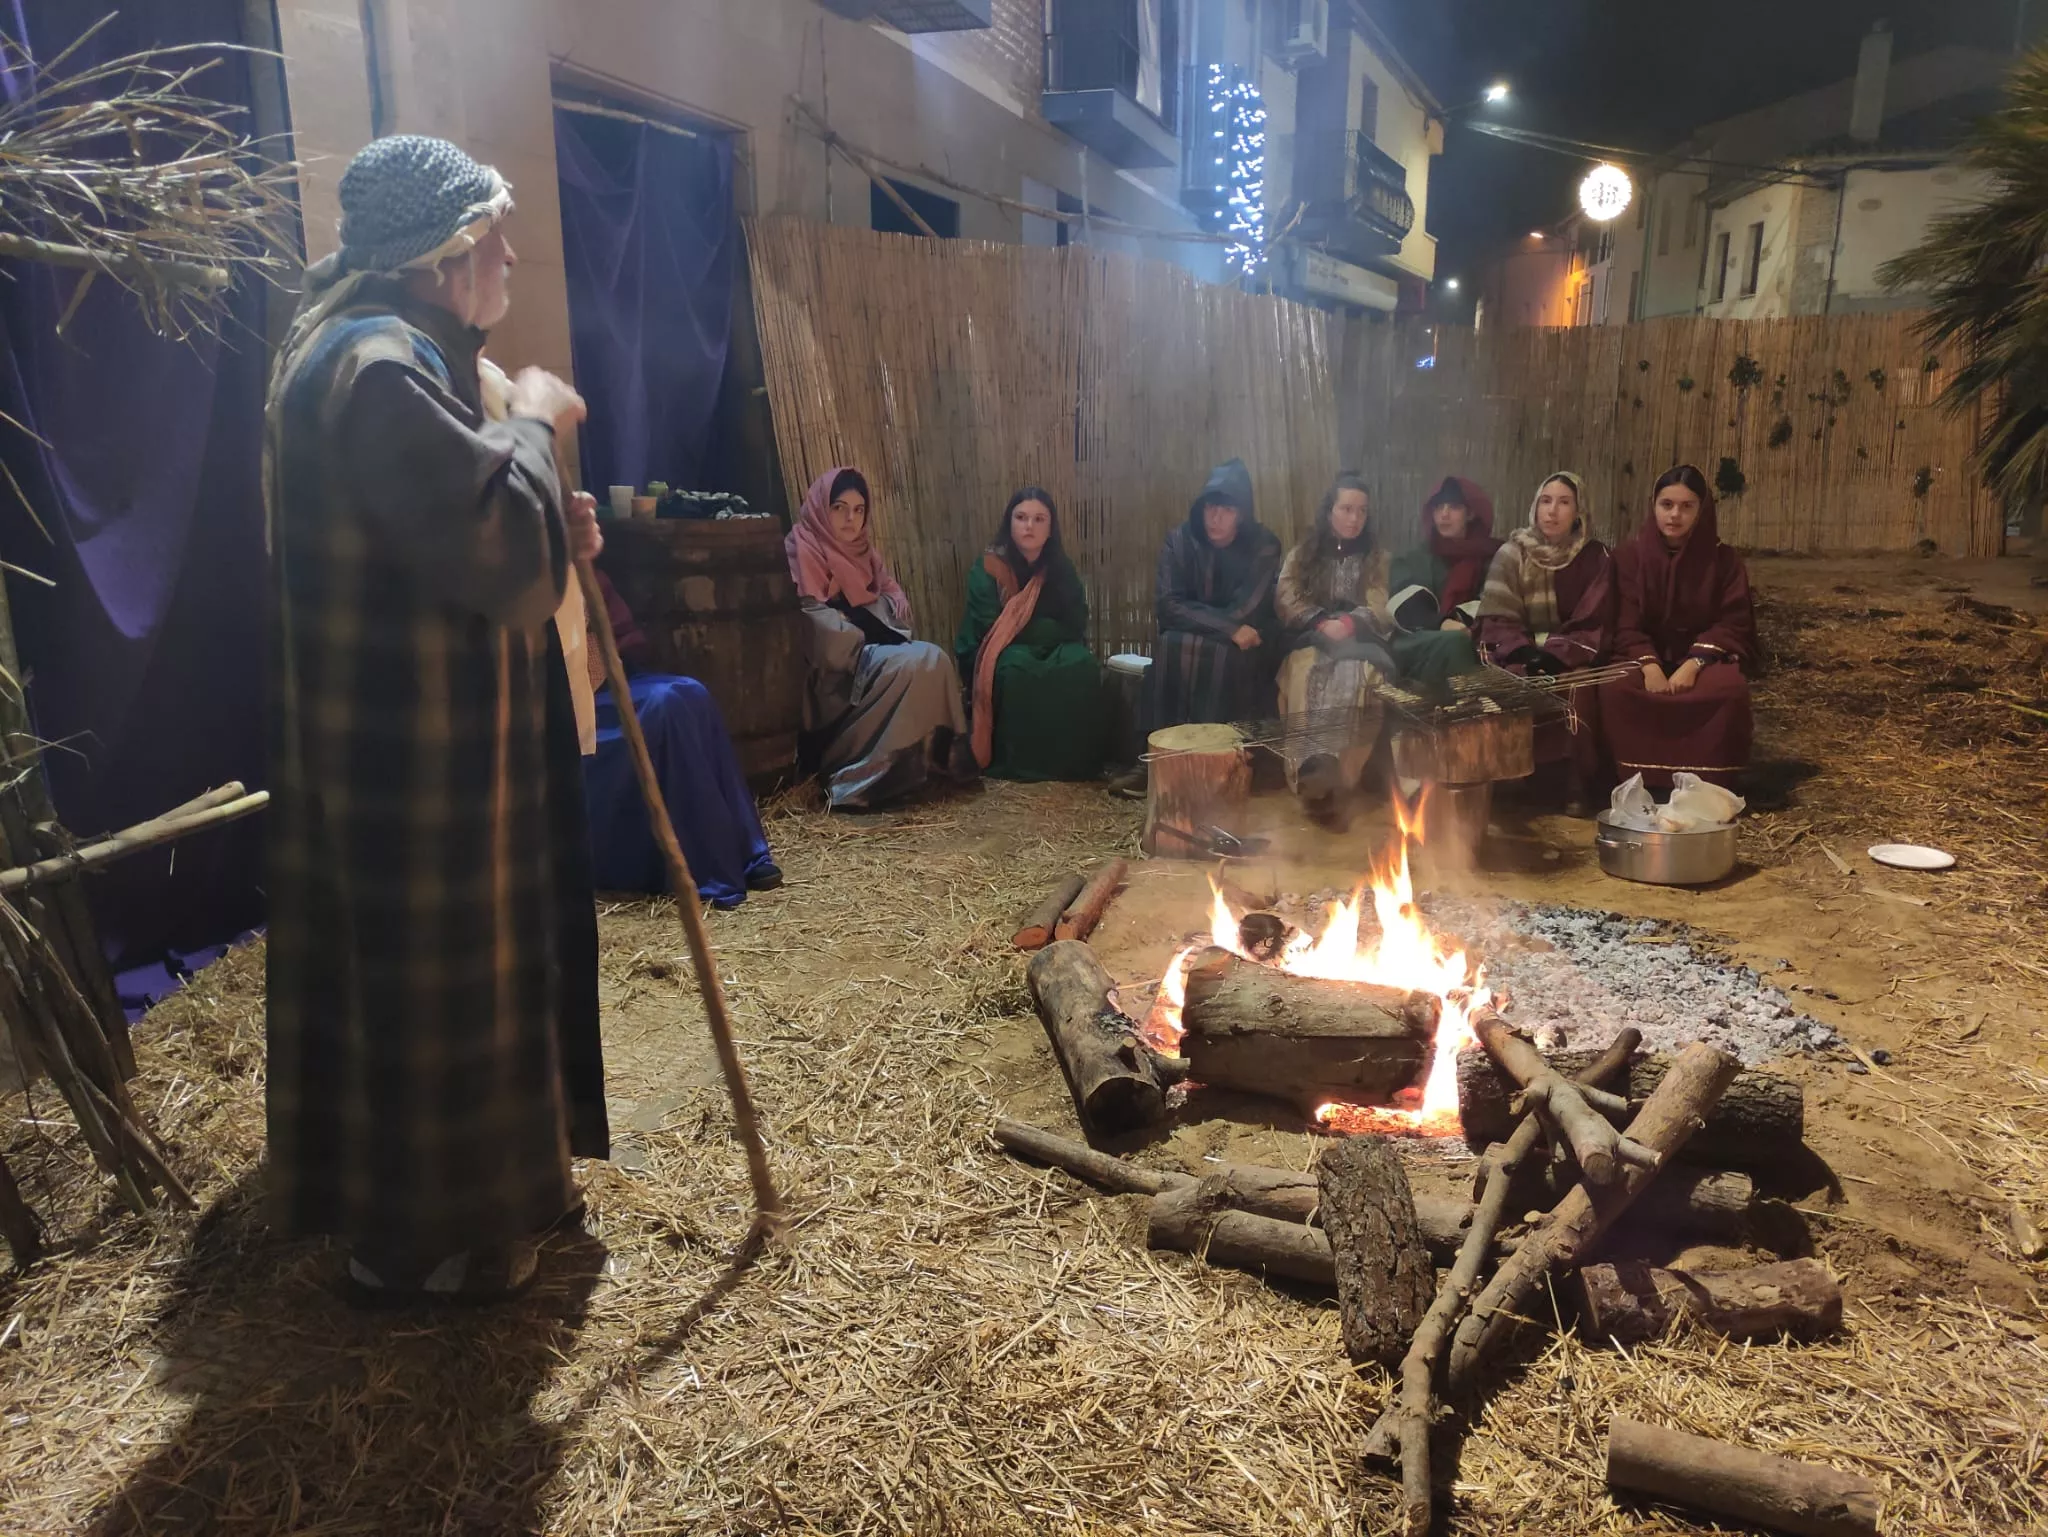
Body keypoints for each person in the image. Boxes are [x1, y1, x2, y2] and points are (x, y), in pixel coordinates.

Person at [264, 135, 607, 1304]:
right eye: (492, 239)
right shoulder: (375, 368)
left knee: (453, 976)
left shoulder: (386, 350)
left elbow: (459, 530)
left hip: (430, 733)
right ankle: (427, 1242)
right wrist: (537, 424)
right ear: (442, 258)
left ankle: (481, 1200)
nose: (508, 257)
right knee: (435, 986)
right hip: (413, 754)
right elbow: (494, 549)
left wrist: (552, 516)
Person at [581, 570, 782, 906]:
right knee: (665, 706)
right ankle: (704, 870)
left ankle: (747, 852)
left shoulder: (578, 568)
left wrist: (607, 645)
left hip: (610, 682)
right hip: (568, 704)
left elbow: (621, 633)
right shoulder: (519, 580)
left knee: (691, 692)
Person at [786, 466, 975, 808]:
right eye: (839, 508)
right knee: (915, 663)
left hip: (873, 646)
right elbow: (814, 623)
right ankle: (862, 775)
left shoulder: (864, 553)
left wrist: (859, 612)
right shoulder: (803, 548)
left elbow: (892, 602)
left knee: (935, 659)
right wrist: (860, 623)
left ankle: (928, 764)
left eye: (859, 510)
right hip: (835, 671)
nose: (851, 519)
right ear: (821, 508)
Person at [1599, 464, 1757, 790]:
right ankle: (1635, 782)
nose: (1675, 515)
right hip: (1640, 656)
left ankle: (1708, 784)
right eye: (1667, 504)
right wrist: (1650, 666)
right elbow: (1624, 620)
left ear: (1702, 510)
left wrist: (1693, 664)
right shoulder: (1628, 558)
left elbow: (1733, 621)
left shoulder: (1724, 561)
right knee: (1616, 689)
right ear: (1653, 506)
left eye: (1687, 506)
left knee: (1729, 691)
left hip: (1703, 659)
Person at [1476, 470, 1617, 807]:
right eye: (1546, 501)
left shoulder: (1595, 557)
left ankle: (1573, 786)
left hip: (1572, 654)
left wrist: (1556, 654)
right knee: (1507, 682)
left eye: (1564, 502)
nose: (1552, 511)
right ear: (1535, 507)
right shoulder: (1512, 553)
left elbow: (1595, 618)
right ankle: (1513, 781)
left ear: (1579, 511)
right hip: (1517, 651)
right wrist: (1524, 652)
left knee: (1577, 686)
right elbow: (1496, 616)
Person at [953, 487, 1105, 781]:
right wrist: (1046, 629)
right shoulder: (988, 568)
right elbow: (990, 624)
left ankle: (1074, 763)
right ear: (1009, 523)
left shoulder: (1060, 568)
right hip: (996, 648)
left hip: (1053, 645)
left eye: (1039, 519)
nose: (1029, 526)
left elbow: (1076, 619)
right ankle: (1017, 765)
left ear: (1050, 527)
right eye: (1021, 517)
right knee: (1015, 670)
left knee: (1082, 665)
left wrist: (1040, 631)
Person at [1273, 473, 1397, 817]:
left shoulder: (1377, 558)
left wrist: (1349, 623)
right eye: (1346, 509)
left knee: (1359, 677)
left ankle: (1341, 780)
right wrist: (1319, 621)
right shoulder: (1304, 555)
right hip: (1311, 635)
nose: (1354, 518)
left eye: (1362, 511)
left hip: (1361, 641)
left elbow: (1381, 603)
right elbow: (1286, 596)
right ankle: (1309, 775)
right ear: (1329, 511)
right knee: (1306, 672)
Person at [1143, 458, 1282, 734]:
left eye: (1227, 510)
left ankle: (1221, 750)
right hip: (1211, 633)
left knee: (1223, 654)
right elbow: (1167, 605)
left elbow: (1247, 610)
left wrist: (1208, 622)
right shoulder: (1179, 541)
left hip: (1242, 644)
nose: (1216, 518)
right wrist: (1227, 629)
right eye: (1211, 507)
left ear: (1241, 514)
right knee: (1169, 645)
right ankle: (1159, 748)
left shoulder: (1264, 545)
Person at [1387, 475, 1497, 685]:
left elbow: (1493, 602)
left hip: (1474, 635)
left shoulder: (1491, 557)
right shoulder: (1411, 558)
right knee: (1456, 641)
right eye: (1439, 507)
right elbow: (1405, 607)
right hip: (1415, 639)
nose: (1444, 514)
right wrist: (1443, 623)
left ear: (1470, 513)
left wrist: (1464, 624)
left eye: (1454, 507)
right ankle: (1466, 702)